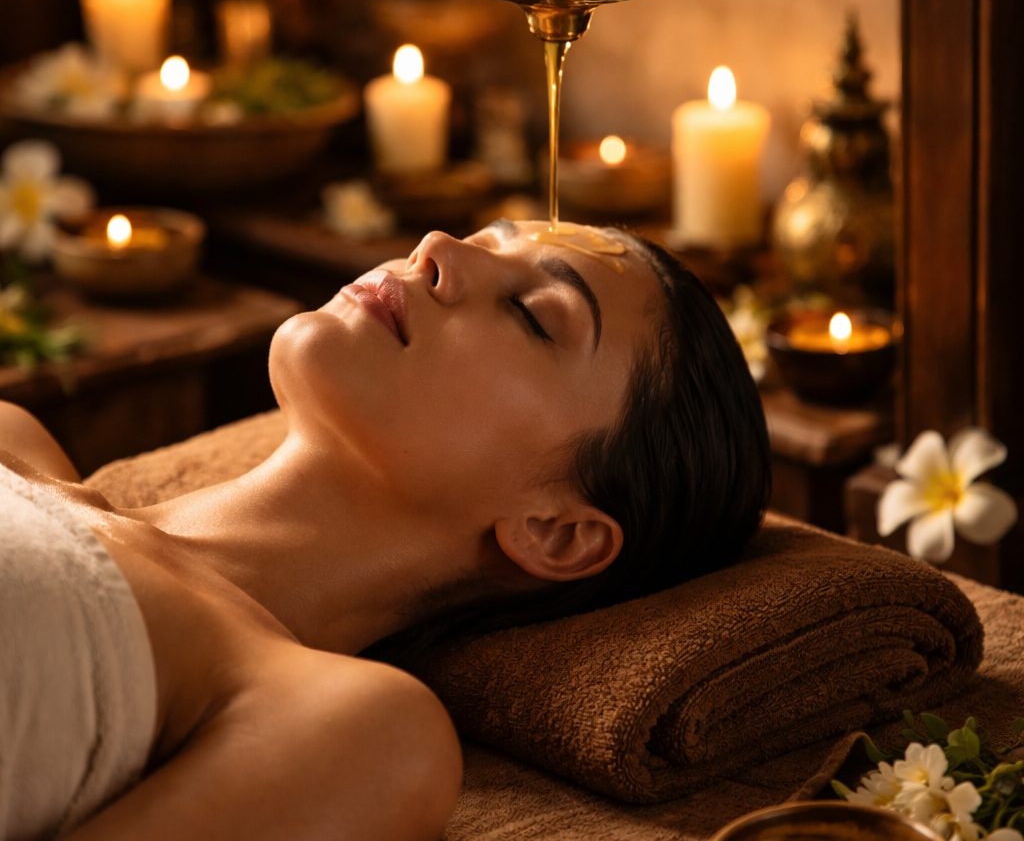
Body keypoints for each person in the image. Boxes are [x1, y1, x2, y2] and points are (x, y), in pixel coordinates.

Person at [0, 220, 770, 841]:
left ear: (556, 532)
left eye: (534, 315)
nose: (436, 248)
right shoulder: (14, 439)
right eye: (482, 237)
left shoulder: (353, 731)